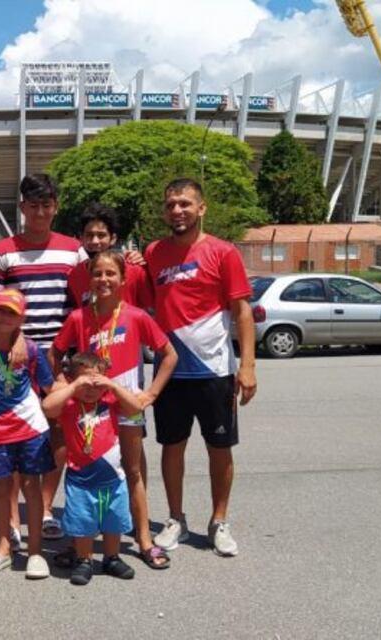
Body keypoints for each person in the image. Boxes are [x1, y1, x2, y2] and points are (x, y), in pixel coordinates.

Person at [144, 178, 257, 557]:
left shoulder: (224, 253)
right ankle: (175, 518)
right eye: (171, 204)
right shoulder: (153, 253)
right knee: (171, 447)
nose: (177, 210)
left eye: (185, 204)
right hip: (170, 372)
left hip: (215, 371)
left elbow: (242, 312)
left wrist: (248, 366)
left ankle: (219, 521)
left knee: (219, 449)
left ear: (201, 208)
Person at [50, 250, 177, 570]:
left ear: (123, 279)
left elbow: (169, 354)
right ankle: (78, 541)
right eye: (97, 274)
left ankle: (144, 539)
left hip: (126, 403)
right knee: (84, 468)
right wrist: (61, 383)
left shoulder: (136, 316)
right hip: (90, 406)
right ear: (88, 278)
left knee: (132, 472)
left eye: (111, 274)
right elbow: (54, 353)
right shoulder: (78, 317)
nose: (103, 279)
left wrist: (151, 394)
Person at [0, 173, 88, 542]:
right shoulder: (2, 251)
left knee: (58, 433)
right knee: (12, 432)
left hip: (59, 356)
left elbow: (82, 305)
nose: (40, 212)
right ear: (22, 208)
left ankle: (43, 509)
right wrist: (5, 347)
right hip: (13, 356)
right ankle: (12, 517)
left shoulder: (74, 251)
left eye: (46, 205)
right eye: (33, 205)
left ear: (55, 207)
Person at [0, 289, 57, 579]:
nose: (5, 317)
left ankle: (35, 552)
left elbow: (49, 387)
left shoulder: (31, 349)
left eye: (12, 313)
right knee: (1, 489)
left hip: (31, 427)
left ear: (22, 318)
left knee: (32, 487)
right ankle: (3, 548)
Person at [41, 352, 142, 585]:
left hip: (112, 477)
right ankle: (83, 559)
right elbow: (47, 407)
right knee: (83, 522)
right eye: (85, 384)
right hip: (81, 479)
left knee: (113, 520)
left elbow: (136, 408)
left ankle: (111, 557)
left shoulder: (110, 401)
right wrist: (73, 386)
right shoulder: (69, 405)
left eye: (96, 384)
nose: (91, 389)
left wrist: (112, 386)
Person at [67, 203, 151, 309]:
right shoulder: (74, 277)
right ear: (81, 238)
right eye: (89, 235)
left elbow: (149, 310)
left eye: (101, 235)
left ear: (113, 239)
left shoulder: (134, 271)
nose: (95, 241)